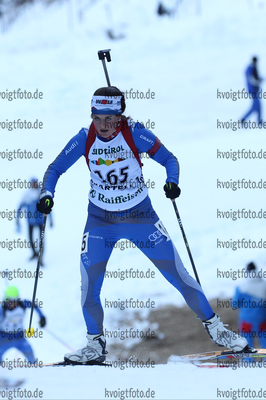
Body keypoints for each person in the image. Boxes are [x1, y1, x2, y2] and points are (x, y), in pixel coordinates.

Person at [37, 86, 248, 365]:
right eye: (97, 118)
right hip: (101, 221)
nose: (102, 125)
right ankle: (94, 345)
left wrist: (172, 182)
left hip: (141, 217)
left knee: (179, 276)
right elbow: (55, 169)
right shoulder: (84, 137)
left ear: (120, 116)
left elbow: (169, 159)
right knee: (88, 286)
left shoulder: (134, 132)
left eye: (109, 119)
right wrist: (47, 194)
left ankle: (218, 330)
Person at [0, 285, 46, 363]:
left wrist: (42, 318)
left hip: (19, 337)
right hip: (4, 338)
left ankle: (34, 367)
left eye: (15, 300)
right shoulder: (2, 311)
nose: (13, 303)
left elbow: (34, 305)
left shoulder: (22, 305)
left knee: (30, 354)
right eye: (10, 301)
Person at [16, 177, 53, 263]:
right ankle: (34, 253)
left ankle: (41, 257)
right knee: (30, 238)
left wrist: (51, 220)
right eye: (33, 183)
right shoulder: (27, 195)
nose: (34, 184)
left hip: (40, 221)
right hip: (30, 221)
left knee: (41, 239)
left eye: (35, 183)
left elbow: (48, 207)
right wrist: (17, 220)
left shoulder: (41, 194)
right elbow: (20, 207)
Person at [233, 262, 266, 348]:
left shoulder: (241, 286)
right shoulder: (264, 285)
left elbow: (235, 304)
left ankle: (248, 360)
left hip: (246, 321)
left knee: (245, 345)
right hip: (262, 320)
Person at [241, 56, 263, 124]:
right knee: (255, 106)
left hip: (255, 90)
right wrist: (258, 81)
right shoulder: (251, 68)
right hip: (252, 90)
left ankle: (259, 121)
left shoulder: (253, 68)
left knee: (258, 106)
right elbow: (252, 79)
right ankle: (243, 119)